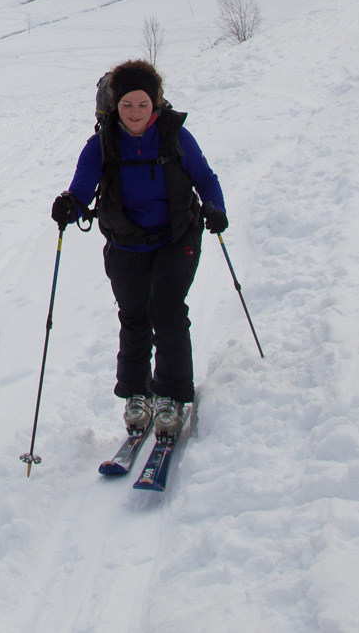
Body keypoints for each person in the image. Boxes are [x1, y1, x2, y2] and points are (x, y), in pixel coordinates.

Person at [50, 59, 227, 436]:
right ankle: (136, 394)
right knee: (133, 315)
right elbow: (82, 189)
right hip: (126, 243)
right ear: (115, 106)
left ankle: (172, 395)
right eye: (127, 105)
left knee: (165, 309)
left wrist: (216, 208)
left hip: (177, 236)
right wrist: (70, 205)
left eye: (142, 105)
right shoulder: (101, 145)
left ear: (156, 104)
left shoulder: (176, 136)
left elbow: (206, 179)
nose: (134, 113)